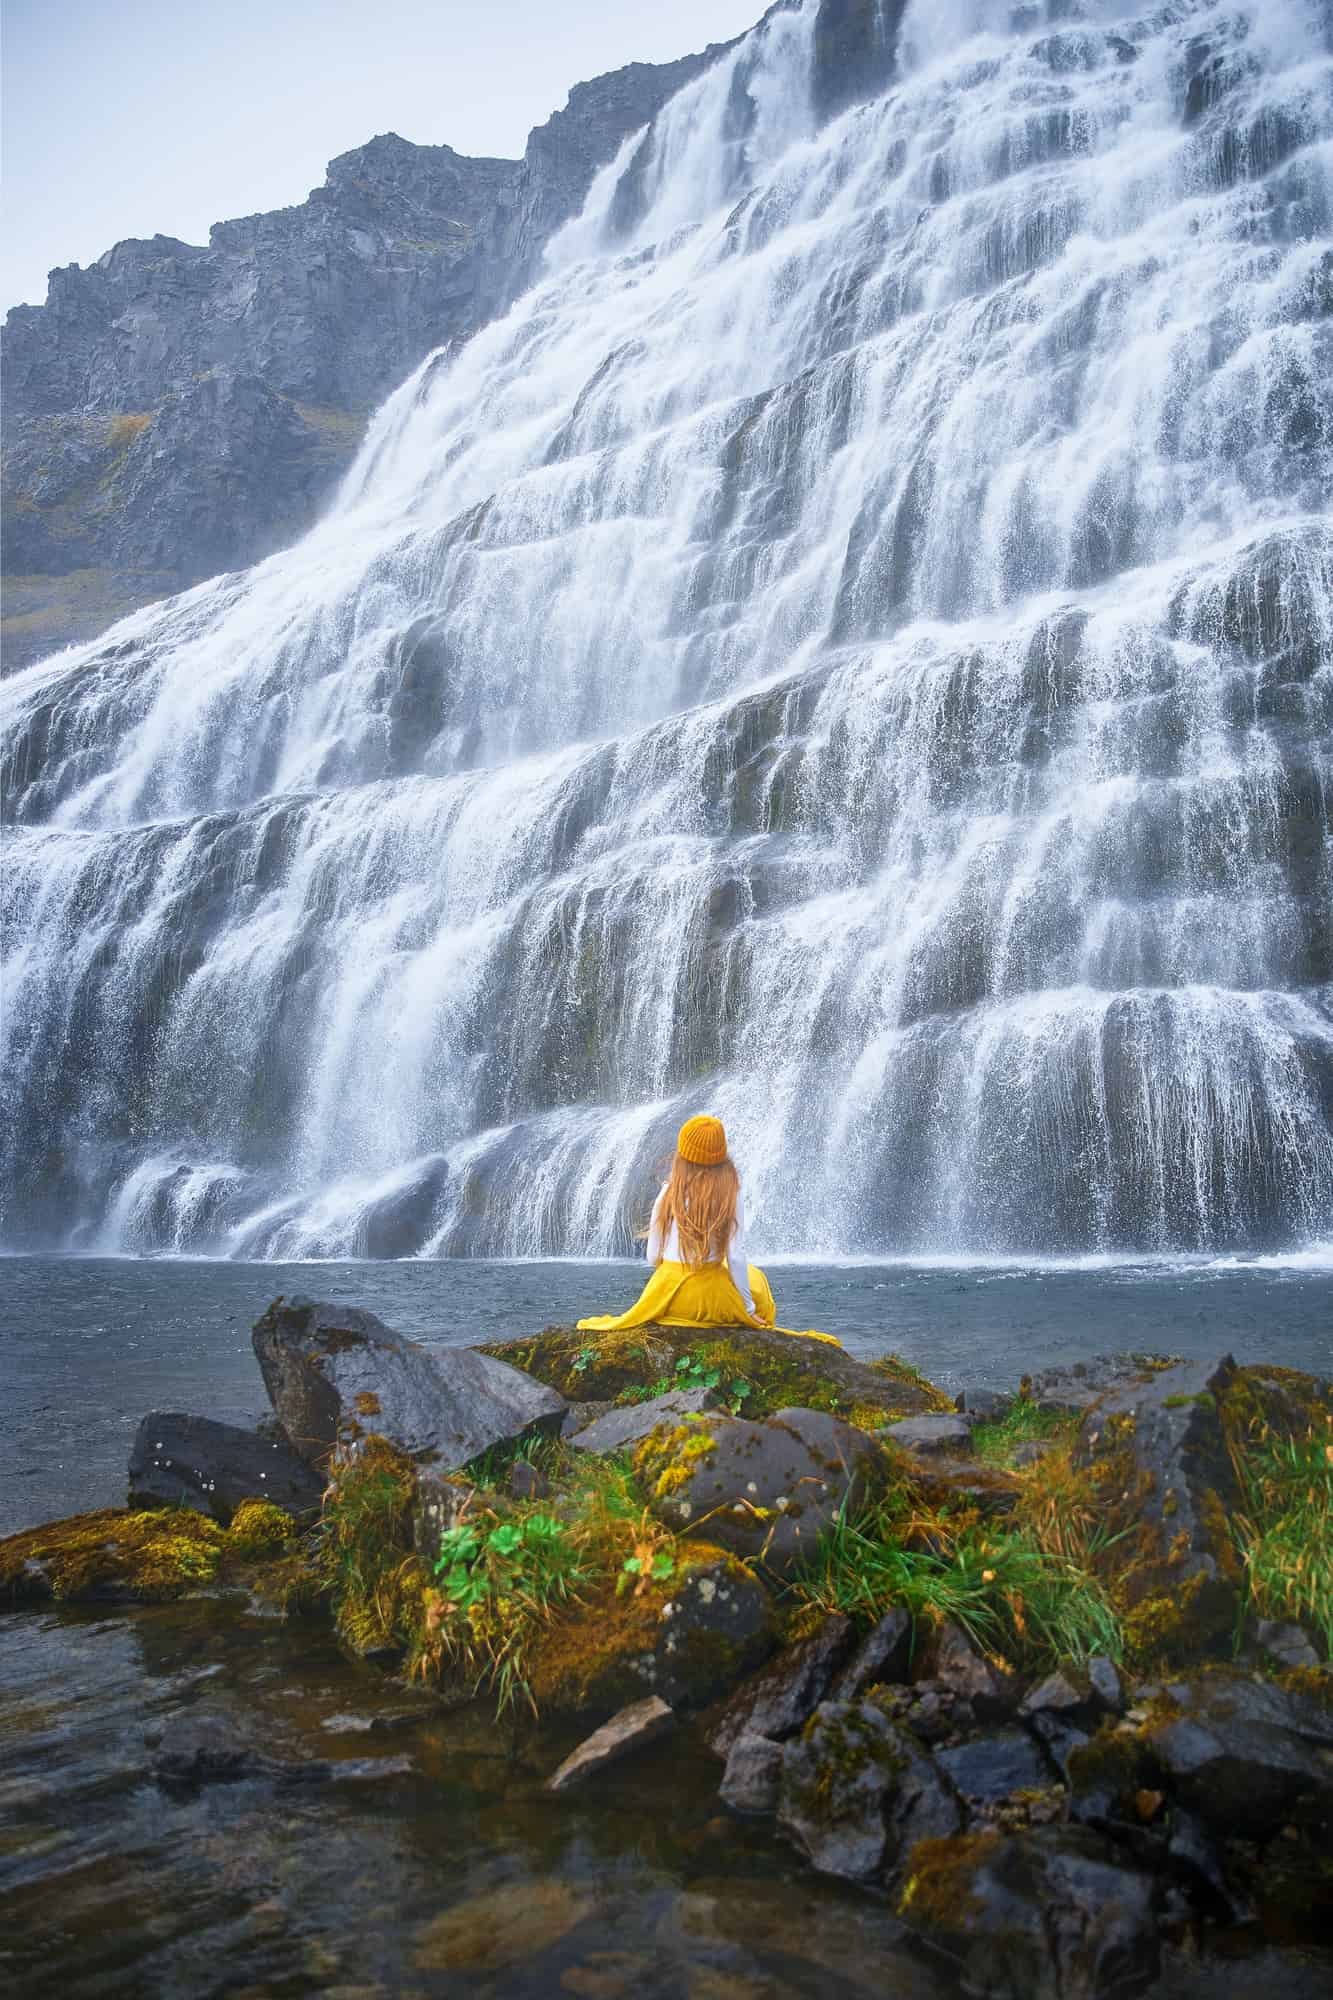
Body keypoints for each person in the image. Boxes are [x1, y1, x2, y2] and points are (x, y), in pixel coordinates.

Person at [576, 1114, 838, 1343]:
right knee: (756, 1280)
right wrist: (746, 1308)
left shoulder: (668, 1192)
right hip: (709, 1299)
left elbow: (652, 1257)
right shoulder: (730, 1194)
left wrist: (672, 1272)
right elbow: (735, 1256)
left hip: (666, 1298)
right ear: (722, 1155)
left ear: (682, 1155)